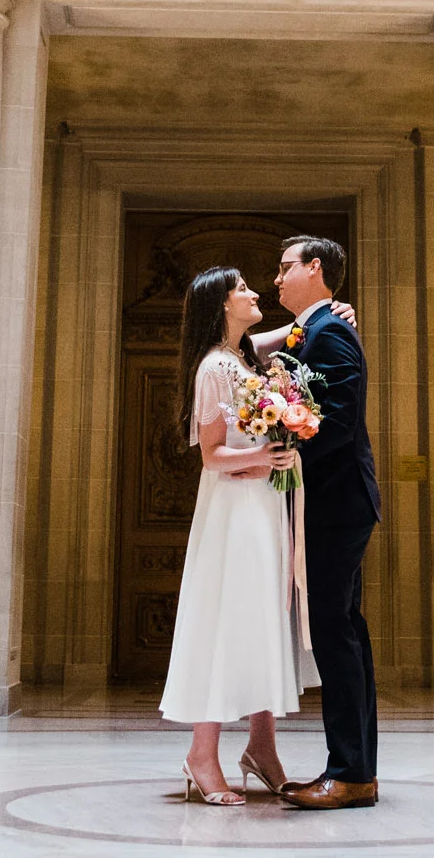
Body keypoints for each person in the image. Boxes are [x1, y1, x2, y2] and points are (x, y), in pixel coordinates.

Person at [158, 266, 305, 804]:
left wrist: (328, 314)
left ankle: (261, 746)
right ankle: (202, 753)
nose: (255, 292)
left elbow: (288, 334)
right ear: (222, 305)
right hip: (234, 509)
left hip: (262, 504)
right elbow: (213, 455)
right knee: (228, 617)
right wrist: (264, 457)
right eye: (243, 289)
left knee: (262, 617)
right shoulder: (216, 368)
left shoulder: (244, 357)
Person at [272, 235, 381, 809]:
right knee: (346, 633)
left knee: (336, 636)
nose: (277, 279)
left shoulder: (330, 332)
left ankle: (349, 773)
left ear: (315, 270)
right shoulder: (312, 331)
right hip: (334, 504)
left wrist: (283, 453)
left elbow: (336, 421)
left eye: (286, 268)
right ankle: (358, 769)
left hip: (336, 504)